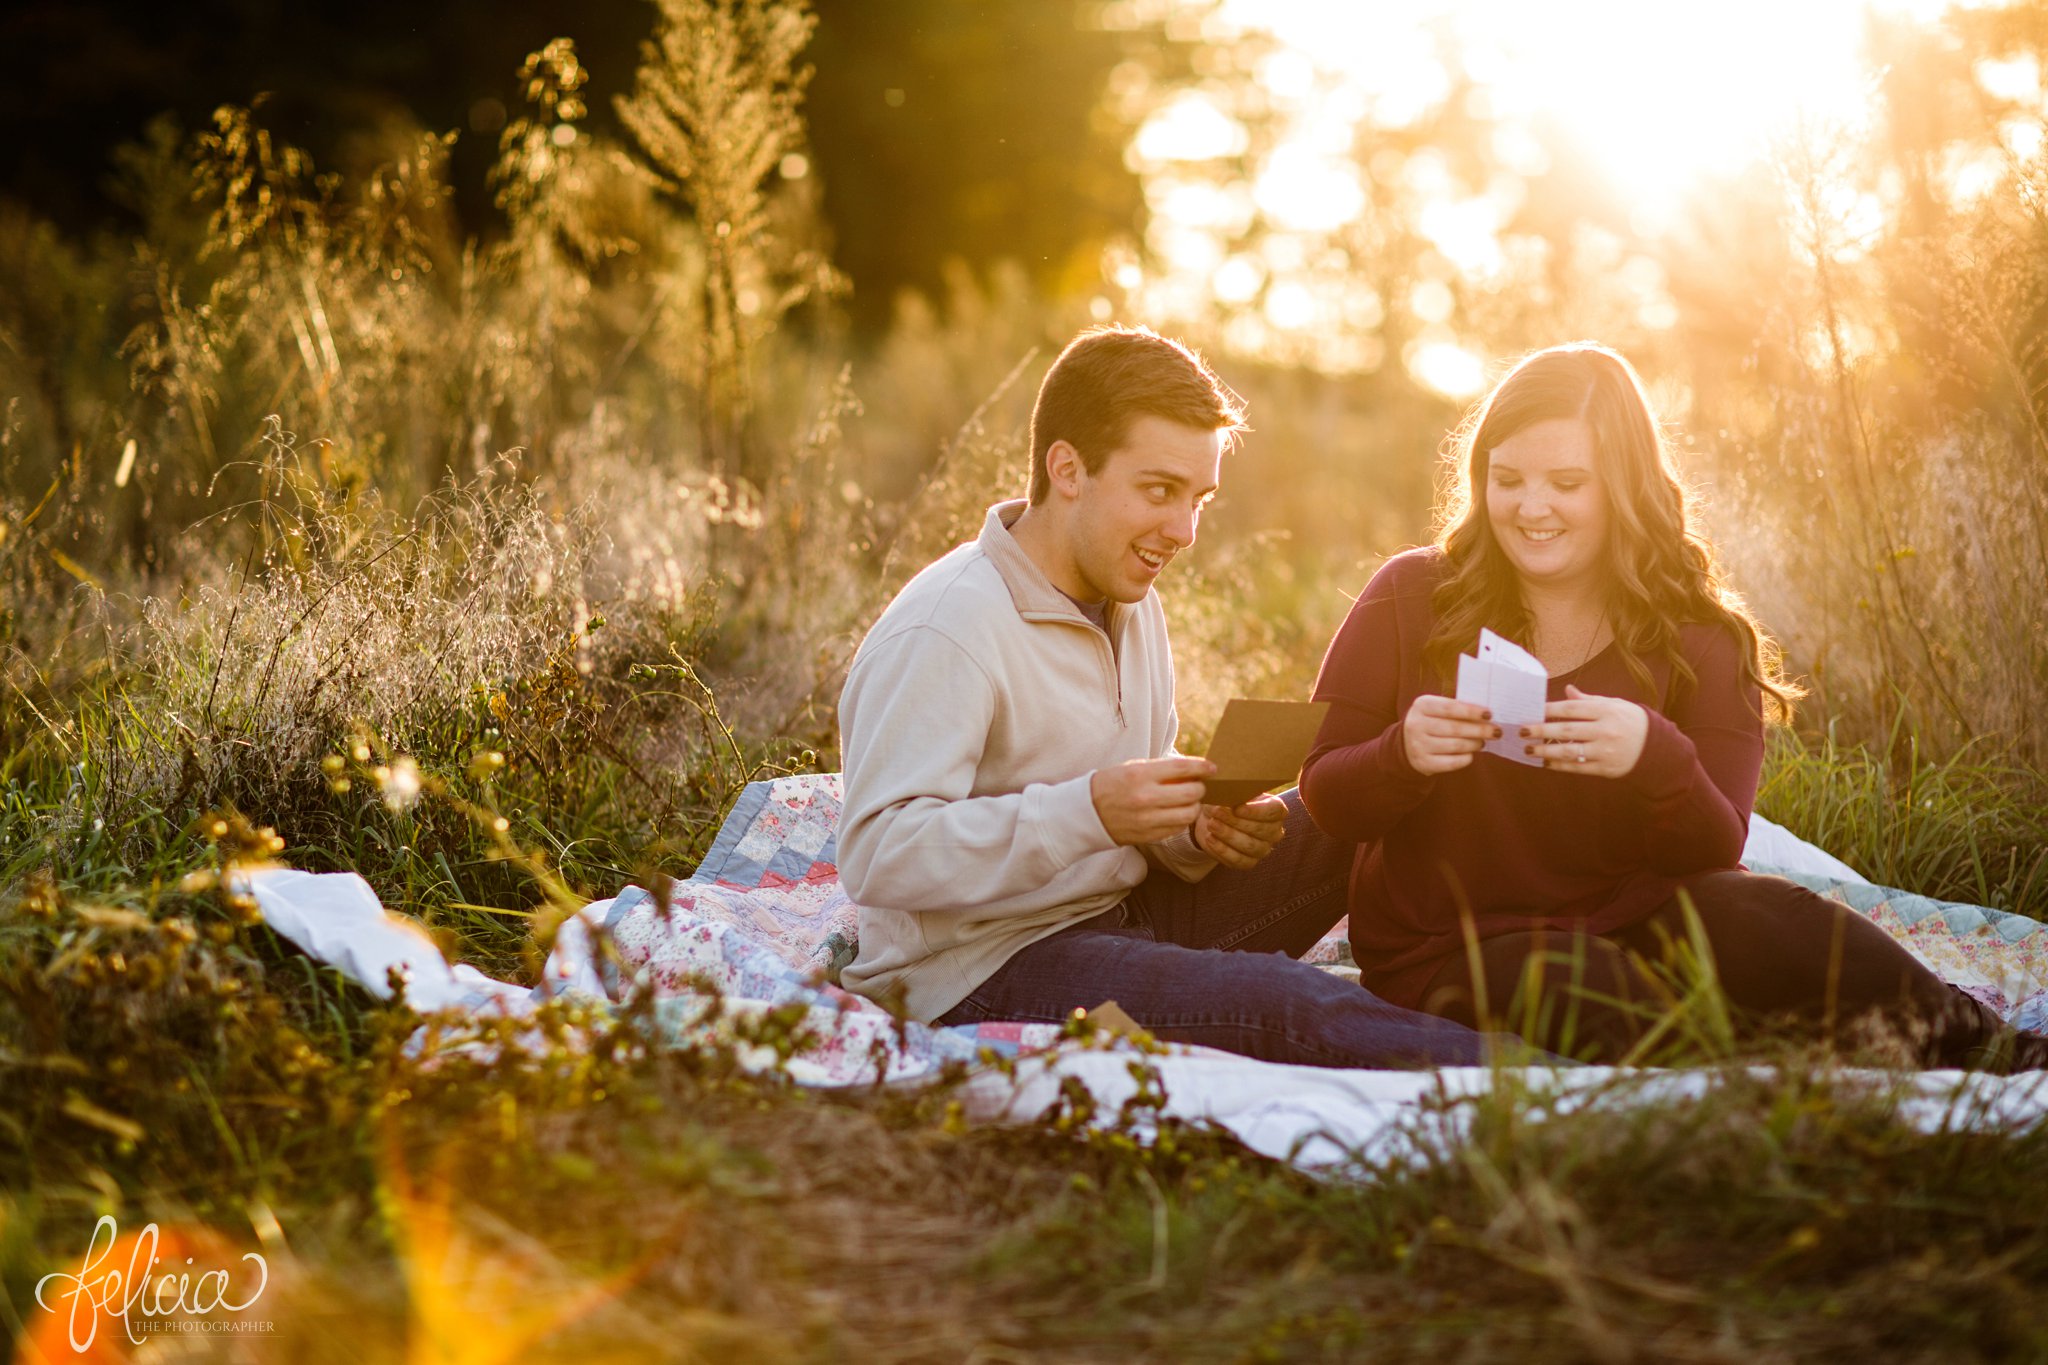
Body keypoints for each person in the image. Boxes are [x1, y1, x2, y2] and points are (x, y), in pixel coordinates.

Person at [1300, 342, 2047, 1069]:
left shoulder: (1699, 634)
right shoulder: (1412, 593)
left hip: (1637, 912)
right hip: (1451, 946)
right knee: (1602, 998)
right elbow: (1328, 794)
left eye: (1567, 482)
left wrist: (1651, 756)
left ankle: (1990, 1045)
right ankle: (1761, 1082)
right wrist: (1404, 754)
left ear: (1623, 484)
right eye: (1508, 479)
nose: (1532, 507)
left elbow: (1714, 848)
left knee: (1781, 918)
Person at [836, 325, 1508, 1067]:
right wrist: (1090, 809)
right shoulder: (948, 627)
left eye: (1200, 498)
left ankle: (1503, 983)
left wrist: (1192, 830)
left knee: (1353, 805)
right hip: (987, 967)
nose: (1184, 530)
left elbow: (1128, 786)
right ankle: (1570, 1091)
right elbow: (877, 854)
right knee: (1282, 1002)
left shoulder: (1128, 594)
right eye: (1160, 490)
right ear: (1067, 468)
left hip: (1128, 911)